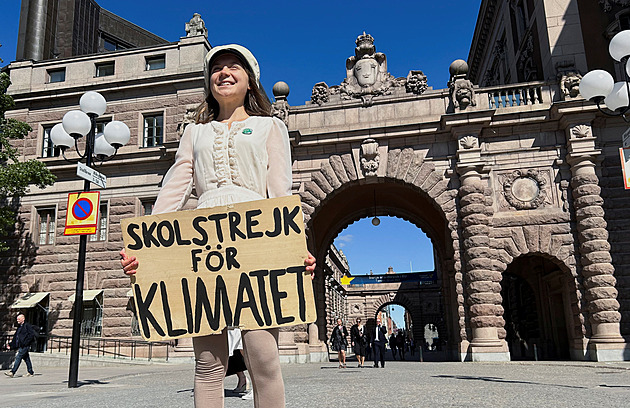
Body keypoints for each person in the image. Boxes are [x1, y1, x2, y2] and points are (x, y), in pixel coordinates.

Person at [120, 44, 316, 408]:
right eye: (217, 68)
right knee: (208, 364)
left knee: (263, 357)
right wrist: (142, 243)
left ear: (250, 80)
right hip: (202, 247)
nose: (224, 73)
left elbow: (280, 192)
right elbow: (174, 189)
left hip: (259, 240)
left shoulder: (270, 127)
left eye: (234, 67)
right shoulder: (195, 133)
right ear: (209, 81)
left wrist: (296, 246)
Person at [4, 314, 36, 378]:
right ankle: (30, 372)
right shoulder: (19, 327)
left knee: (18, 357)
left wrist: (26, 342)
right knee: (27, 359)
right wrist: (11, 345)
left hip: (25, 346)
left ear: (23, 319)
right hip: (21, 345)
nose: (17, 320)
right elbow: (16, 337)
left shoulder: (27, 326)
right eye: (17, 319)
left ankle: (12, 372)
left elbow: (31, 335)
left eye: (19, 319)